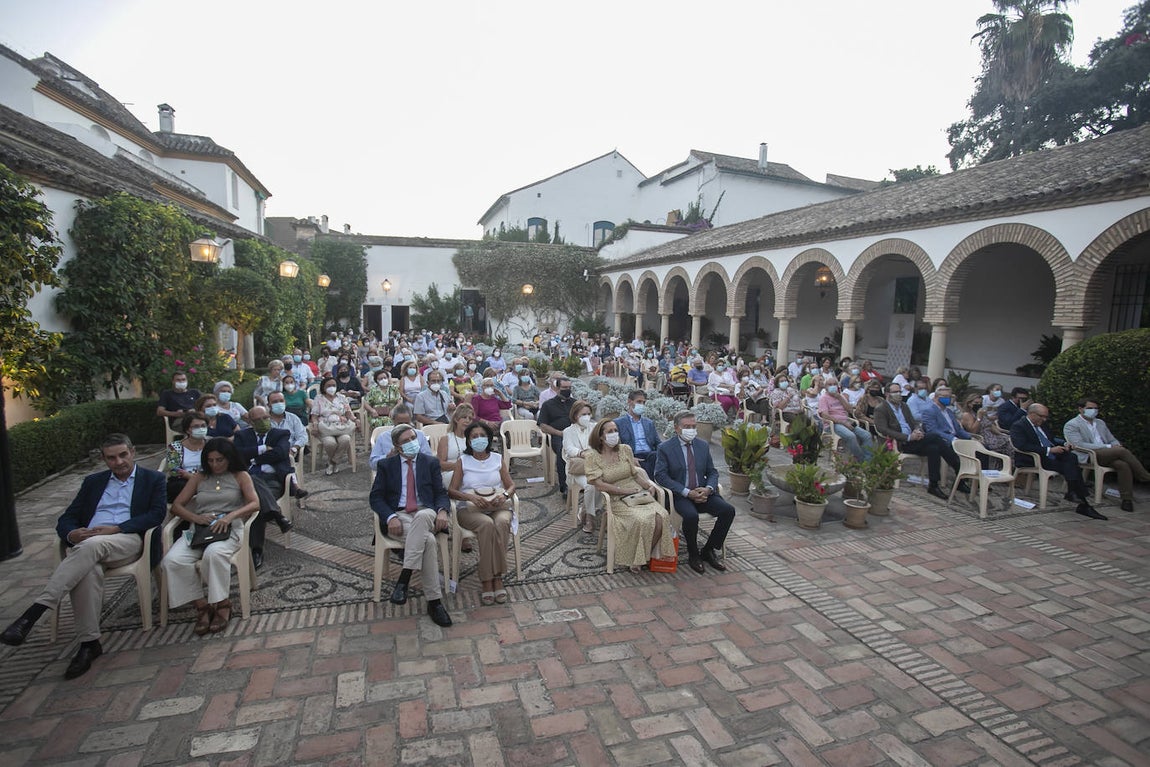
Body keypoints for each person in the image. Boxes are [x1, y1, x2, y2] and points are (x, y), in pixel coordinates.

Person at [0, 435, 166, 678]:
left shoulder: (153, 479)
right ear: (104, 459)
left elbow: (155, 515)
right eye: (111, 457)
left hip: (127, 538)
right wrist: (71, 533)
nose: (118, 461)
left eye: (122, 455)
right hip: (88, 545)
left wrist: (117, 528)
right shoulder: (93, 482)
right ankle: (89, 643)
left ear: (132, 452)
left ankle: (34, 612)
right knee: (88, 569)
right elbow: (67, 518)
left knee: (90, 548)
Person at [161, 438, 259, 635]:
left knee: (213, 554)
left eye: (220, 460)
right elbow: (178, 506)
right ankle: (202, 606)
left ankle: (223, 604)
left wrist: (231, 516)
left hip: (229, 528)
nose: (215, 464)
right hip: (201, 528)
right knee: (172, 560)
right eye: (211, 460)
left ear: (229, 458)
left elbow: (254, 503)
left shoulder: (240, 476)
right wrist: (196, 517)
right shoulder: (199, 477)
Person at [369, 424, 453, 627]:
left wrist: (442, 510)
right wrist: (390, 517)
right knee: (430, 541)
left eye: (413, 438)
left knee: (424, 516)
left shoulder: (430, 462)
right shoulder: (386, 465)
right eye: (406, 441)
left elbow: (441, 493)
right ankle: (434, 602)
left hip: (427, 511)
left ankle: (404, 579)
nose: (411, 443)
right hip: (400, 516)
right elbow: (376, 497)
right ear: (398, 447)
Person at [586, 419, 675, 573]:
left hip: (637, 493)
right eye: (610, 432)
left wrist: (648, 485)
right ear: (601, 436)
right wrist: (622, 491)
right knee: (642, 520)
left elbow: (635, 475)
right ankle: (637, 558)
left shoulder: (625, 449)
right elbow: (598, 484)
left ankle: (642, 556)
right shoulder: (592, 456)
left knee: (662, 516)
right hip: (615, 497)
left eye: (616, 430)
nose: (615, 434)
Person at [654, 411, 736, 574]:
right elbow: (660, 475)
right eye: (686, 427)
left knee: (728, 511)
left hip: (703, 492)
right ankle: (693, 554)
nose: (691, 430)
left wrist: (708, 489)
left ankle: (708, 549)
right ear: (677, 428)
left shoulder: (702, 445)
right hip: (680, 495)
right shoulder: (665, 448)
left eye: (693, 426)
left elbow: (712, 472)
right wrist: (686, 492)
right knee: (690, 516)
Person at [448, 421, 515, 605]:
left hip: (497, 505)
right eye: (474, 437)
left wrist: (505, 495)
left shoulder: (496, 458)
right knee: (486, 525)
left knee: (501, 523)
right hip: (470, 509)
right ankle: (487, 579)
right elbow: (451, 490)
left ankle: (498, 577)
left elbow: (511, 484)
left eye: (482, 436)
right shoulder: (463, 461)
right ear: (468, 441)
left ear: (488, 438)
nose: (479, 439)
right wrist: (469, 497)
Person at [1010, 403, 1106, 519]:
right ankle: (1081, 500)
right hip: (1033, 458)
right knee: (1069, 467)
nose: (1044, 419)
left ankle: (1077, 496)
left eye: (1046, 417)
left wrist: (1064, 444)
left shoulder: (1042, 424)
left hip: (1050, 455)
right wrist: (1050, 450)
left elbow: (1050, 439)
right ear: (1032, 414)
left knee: (1072, 457)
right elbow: (1022, 445)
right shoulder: (1019, 426)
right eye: (1042, 416)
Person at [873, 383, 964, 500]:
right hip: (901, 442)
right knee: (935, 437)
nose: (899, 394)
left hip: (914, 440)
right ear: (887, 394)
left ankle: (934, 485)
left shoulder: (904, 406)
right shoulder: (881, 409)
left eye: (900, 392)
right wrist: (909, 437)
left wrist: (918, 430)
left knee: (934, 449)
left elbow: (914, 422)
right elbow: (883, 429)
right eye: (895, 392)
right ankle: (958, 466)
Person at [234, 406, 296, 569]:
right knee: (252, 481)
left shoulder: (280, 434)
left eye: (266, 418)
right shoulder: (241, 435)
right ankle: (276, 514)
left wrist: (254, 459)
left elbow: (281, 453)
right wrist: (261, 449)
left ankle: (256, 550)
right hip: (244, 483)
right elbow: (237, 455)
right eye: (258, 420)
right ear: (251, 422)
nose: (264, 422)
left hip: (271, 481)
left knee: (257, 502)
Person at [1062, 398, 1150, 512]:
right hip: (1088, 455)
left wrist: (1115, 445)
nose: (1093, 411)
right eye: (1089, 408)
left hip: (1106, 454)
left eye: (1095, 408)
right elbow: (1079, 444)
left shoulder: (1100, 423)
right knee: (1121, 451)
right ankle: (1145, 476)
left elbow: (1111, 439)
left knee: (1122, 465)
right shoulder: (1072, 424)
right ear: (1080, 409)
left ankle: (1126, 500)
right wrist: (1109, 447)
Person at [563, 400, 599, 534]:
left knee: (605, 481)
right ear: (575, 415)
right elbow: (569, 448)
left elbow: (601, 443)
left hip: (595, 466)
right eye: (583, 414)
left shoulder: (595, 427)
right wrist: (582, 453)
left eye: (589, 414)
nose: (587, 417)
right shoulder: (568, 431)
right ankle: (589, 517)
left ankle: (584, 510)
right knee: (591, 485)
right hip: (578, 469)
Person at [311, 374, 358, 475]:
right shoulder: (318, 398)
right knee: (330, 443)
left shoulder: (342, 397)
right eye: (328, 386)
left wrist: (355, 419)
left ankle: (332, 462)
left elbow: (348, 412)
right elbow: (314, 416)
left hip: (342, 427)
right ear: (323, 387)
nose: (331, 388)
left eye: (333, 385)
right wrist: (315, 425)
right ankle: (333, 462)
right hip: (327, 427)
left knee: (345, 439)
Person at [537, 377, 574, 497]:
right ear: (557, 388)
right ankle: (565, 486)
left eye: (569, 388)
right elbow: (543, 426)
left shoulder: (575, 404)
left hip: (575, 435)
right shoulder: (548, 405)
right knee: (563, 449)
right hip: (558, 436)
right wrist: (560, 433)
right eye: (564, 388)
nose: (567, 390)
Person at [818, 380, 872, 461]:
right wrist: (842, 423)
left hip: (846, 422)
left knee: (867, 435)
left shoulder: (841, 396)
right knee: (851, 436)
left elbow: (850, 410)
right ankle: (861, 459)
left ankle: (868, 460)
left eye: (834, 384)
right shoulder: (824, 398)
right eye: (830, 384)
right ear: (825, 387)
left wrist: (839, 397)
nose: (833, 386)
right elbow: (824, 415)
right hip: (833, 424)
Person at [165, 411, 210, 502]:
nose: (201, 429)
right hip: (183, 481)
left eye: (203, 426)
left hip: (209, 479)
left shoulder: (212, 443)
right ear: (187, 429)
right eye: (196, 426)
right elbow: (174, 470)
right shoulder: (175, 446)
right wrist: (190, 477)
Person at [615, 390, 661, 478]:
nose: (642, 405)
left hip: (651, 454)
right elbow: (616, 447)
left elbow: (658, 443)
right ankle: (655, 487)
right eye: (639, 402)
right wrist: (630, 458)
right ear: (629, 401)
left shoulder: (649, 423)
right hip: (633, 455)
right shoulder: (619, 423)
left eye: (644, 402)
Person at [370, 404, 431, 469]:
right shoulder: (383, 437)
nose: (403, 427)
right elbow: (373, 464)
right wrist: (388, 457)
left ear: (410, 420)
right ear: (393, 421)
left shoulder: (419, 435)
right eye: (400, 423)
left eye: (406, 423)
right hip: (392, 472)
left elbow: (429, 459)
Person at [437, 404, 475, 489]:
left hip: (470, 472)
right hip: (450, 472)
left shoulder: (473, 439)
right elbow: (440, 464)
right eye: (464, 417)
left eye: (470, 418)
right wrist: (460, 466)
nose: (468, 421)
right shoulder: (446, 439)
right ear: (456, 419)